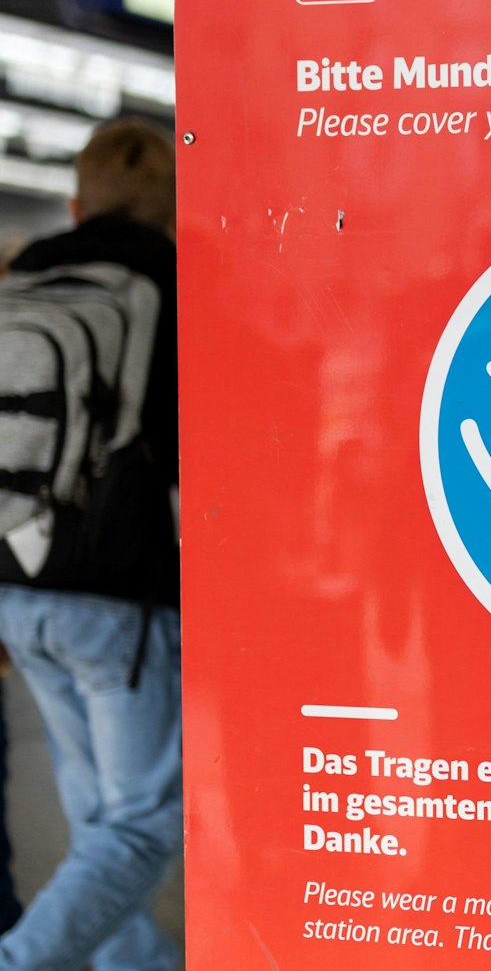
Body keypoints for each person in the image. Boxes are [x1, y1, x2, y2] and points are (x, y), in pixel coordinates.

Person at [0, 120, 181, 970]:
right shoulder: (170, 280)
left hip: (18, 574)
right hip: (116, 596)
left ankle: (131, 962)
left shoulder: (29, 270)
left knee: (91, 802)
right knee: (141, 822)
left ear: (76, 201)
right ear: (177, 215)